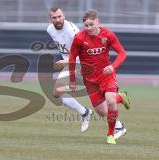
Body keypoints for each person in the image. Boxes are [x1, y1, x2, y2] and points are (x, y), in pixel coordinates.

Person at [69, 9, 131, 144]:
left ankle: (111, 134)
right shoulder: (79, 38)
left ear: (97, 22)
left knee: (110, 101)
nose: (89, 28)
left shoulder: (107, 35)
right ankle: (121, 97)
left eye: (91, 24)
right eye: (86, 25)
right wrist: (72, 79)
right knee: (102, 112)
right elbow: (72, 58)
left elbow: (122, 53)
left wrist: (112, 67)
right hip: (90, 80)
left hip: (106, 75)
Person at [47, 7, 92, 133]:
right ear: (50, 19)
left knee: (101, 97)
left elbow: (84, 52)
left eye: (59, 16)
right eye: (54, 18)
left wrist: (67, 61)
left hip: (83, 64)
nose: (58, 20)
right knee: (57, 93)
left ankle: (118, 124)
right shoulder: (50, 30)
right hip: (70, 64)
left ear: (64, 15)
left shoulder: (73, 31)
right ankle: (85, 112)